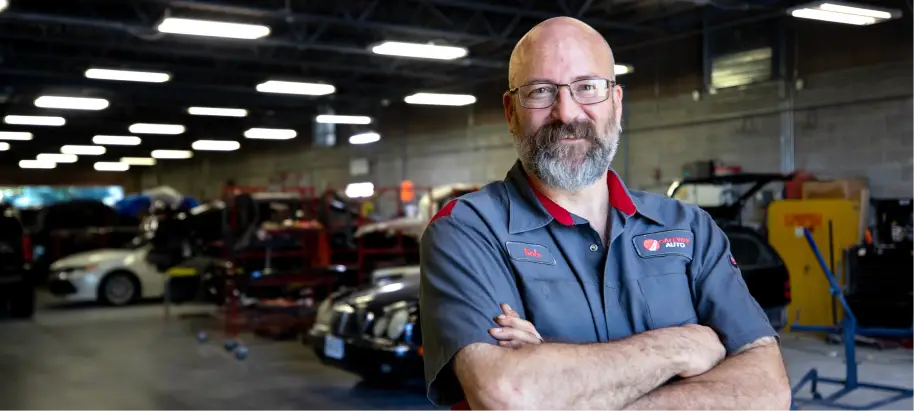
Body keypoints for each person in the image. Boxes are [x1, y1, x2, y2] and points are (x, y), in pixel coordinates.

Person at [418, 16, 791, 411]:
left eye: (587, 88)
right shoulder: (467, 231)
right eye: (541, 91)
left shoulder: (691, 228)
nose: (566, 113)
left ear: (616, 102)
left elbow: (768, 391)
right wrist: (681, 346)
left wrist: (561, 381)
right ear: (511, 111)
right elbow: (511, 397)